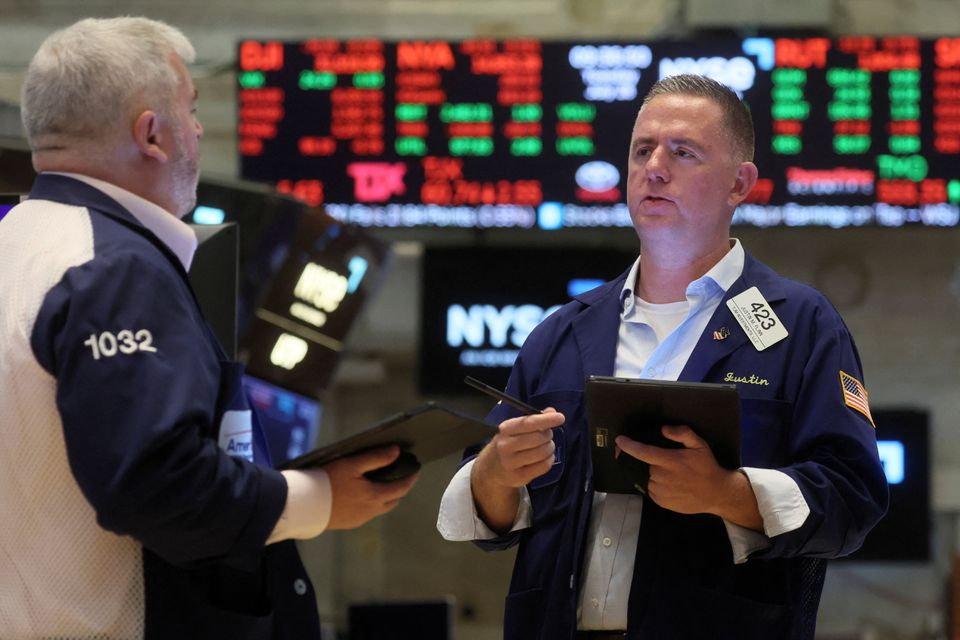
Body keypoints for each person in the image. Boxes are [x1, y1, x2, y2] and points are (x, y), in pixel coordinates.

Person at [0, 17, 416, 639]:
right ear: (151, 133)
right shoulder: (115, 269)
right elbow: (157, 485)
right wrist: (321, 498)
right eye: (190, 109)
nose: (197, 129)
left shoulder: (15, 246)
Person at [437, 74, 888, 640]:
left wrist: (728, 494)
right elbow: (491, 518)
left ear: (739, 184)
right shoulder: (561, 332)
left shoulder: (799, 323)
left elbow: (853, 498)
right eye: (642, 150)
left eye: (683, 152)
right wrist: (494, 474)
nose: (654, 167)